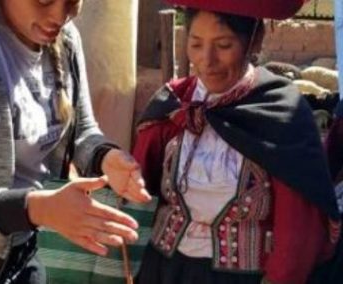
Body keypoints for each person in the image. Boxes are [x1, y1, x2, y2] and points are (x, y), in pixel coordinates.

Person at [0, 0, 151, 283]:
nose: (59, 15)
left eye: (72, 2)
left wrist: (106, 157)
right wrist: (38, 209)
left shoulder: (65, 38)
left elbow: (81, 130)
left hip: (23, 250)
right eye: (44, 0)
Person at [132, 0, 340, 283]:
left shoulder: (281, 114)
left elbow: (298, 234)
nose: (207, 59)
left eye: (224, 45)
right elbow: (137, 192)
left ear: (255, 40)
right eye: (195, 44)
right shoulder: (173, 104)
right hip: (162, 272)